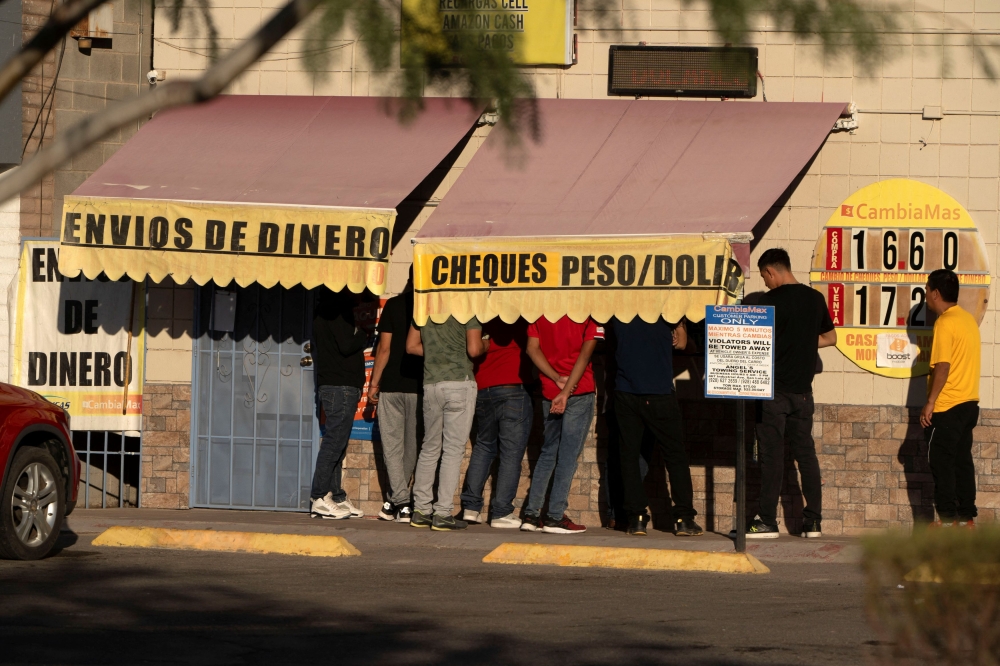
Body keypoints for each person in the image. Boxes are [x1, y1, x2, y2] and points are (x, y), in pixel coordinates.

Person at [743, 248, 836, 538]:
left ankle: (767, 520)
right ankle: (814, 522)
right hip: (804, 394)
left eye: (764, 277)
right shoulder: (815, 299)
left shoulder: (767, 303)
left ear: (771, 271)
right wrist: (805, 344)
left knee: (772, 456)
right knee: (806, 456)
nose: (766, 282)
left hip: (774, 392)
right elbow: (831, 337)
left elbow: (755, 342)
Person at [611, 316, 703, 537]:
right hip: (659, 391)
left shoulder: (617, 308)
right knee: (675, 457)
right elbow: (681, 344)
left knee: (629, 456)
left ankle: (636, 519)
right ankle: (684, 519)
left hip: (626, 391)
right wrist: (679, 323)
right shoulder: (666, 311)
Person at [521, 315, 602, 534]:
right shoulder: (590, 314)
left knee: (548, 453)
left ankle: (531, 514)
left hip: (550, 390)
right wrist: (566, 392)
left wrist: (556, 379)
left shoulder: (540, 312)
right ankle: (555, 516)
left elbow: (532, 349)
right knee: (567, 456)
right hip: (579, 390)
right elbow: (585, 355)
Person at [406, 315, 488, 531]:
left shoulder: (423, 310)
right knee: (452, 450)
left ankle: (421, 510)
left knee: (429, 447)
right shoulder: (466, 311)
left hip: (431, 384)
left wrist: (436, 353)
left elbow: (411, 346)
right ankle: (442, 513)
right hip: (459, 382)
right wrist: (486, 343)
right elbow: (473, 349)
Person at [920, 268, 981, 527]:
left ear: (935, 293)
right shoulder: (967, 320)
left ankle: (947, 521)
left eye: (926, 290)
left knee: (941, 464)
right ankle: (967, 519)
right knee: (961, 462)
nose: (925, 296)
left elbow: (942, 366)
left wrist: (930, 402)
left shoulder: (945, 322)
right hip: (969, 403)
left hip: (947, 406)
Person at [460, 318, 534, 528]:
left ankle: (471, 508)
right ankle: (501, 512)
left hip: (483, 387)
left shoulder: (482, 319)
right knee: (511, 453)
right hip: (514, 386)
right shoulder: (524, 318)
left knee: (483, 447)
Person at [309, 289, 368, 520]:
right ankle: (319, 496)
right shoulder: (337, 311)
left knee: (338, 443)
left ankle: (337, 497)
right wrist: (363, 335)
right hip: (340, 386)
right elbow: (346, 344)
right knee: (334, 442)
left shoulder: (325, 310)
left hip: (336, 386)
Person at [368, 277, 423, 523]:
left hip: (391, 384)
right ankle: (400, 502)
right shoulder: (430, 305)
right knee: (411, 445)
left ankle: (397, 501)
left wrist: (373, 383)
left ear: (409, 278)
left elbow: (384, 349)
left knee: (392, 446)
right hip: (419, 385)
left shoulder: (393, 304)